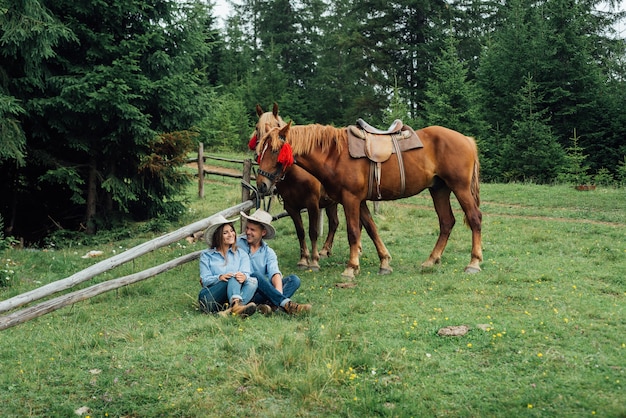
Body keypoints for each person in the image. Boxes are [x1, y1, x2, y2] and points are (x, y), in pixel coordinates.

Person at [237, 209, 312, 315]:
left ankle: (270, 305)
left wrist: (277, 294)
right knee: (255, 276)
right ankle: (284, 304)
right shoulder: (237, 243)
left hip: (262, 291)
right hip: (243, 290)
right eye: (247, 228)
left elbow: (274, 273)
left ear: (263, 232)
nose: (248, 232)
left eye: (253, 230)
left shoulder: (268, 252)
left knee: (294, 280)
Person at [198, 214, 258, 318]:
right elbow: (204, 280)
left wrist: (244, 277)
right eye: (225, 233)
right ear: (217, 236)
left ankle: (233, 309)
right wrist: (219, 277)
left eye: (232, 230)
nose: (231, 234)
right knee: (233, 277)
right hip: (210, 297)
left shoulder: (241, 254)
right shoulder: (206, 255)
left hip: (229, 297)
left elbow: (246, 274)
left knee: (253, 281)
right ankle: (236, 307)